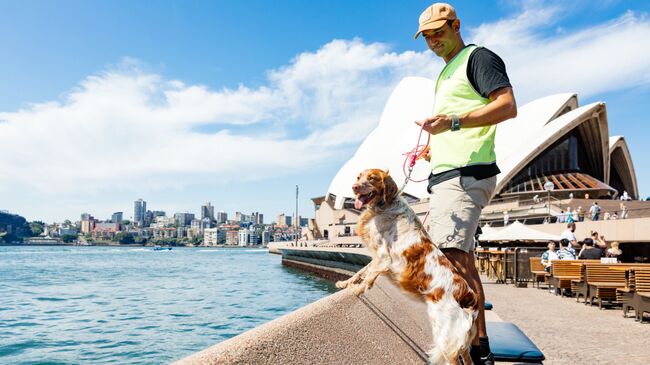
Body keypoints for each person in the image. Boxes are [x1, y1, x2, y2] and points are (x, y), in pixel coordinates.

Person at [414, 3, 517, 364]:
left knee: (453, 262)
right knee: (462, 261)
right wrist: (434, 146)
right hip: (449, 173)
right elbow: (457, 122)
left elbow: (506, 106)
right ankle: (478, 345)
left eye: (438, 32)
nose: (432, 41)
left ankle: (470, 347)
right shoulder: (446, 73)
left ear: (456, 25)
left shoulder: (478, 58)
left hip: (464, 174)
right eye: (426, 36)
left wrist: (453, 124)